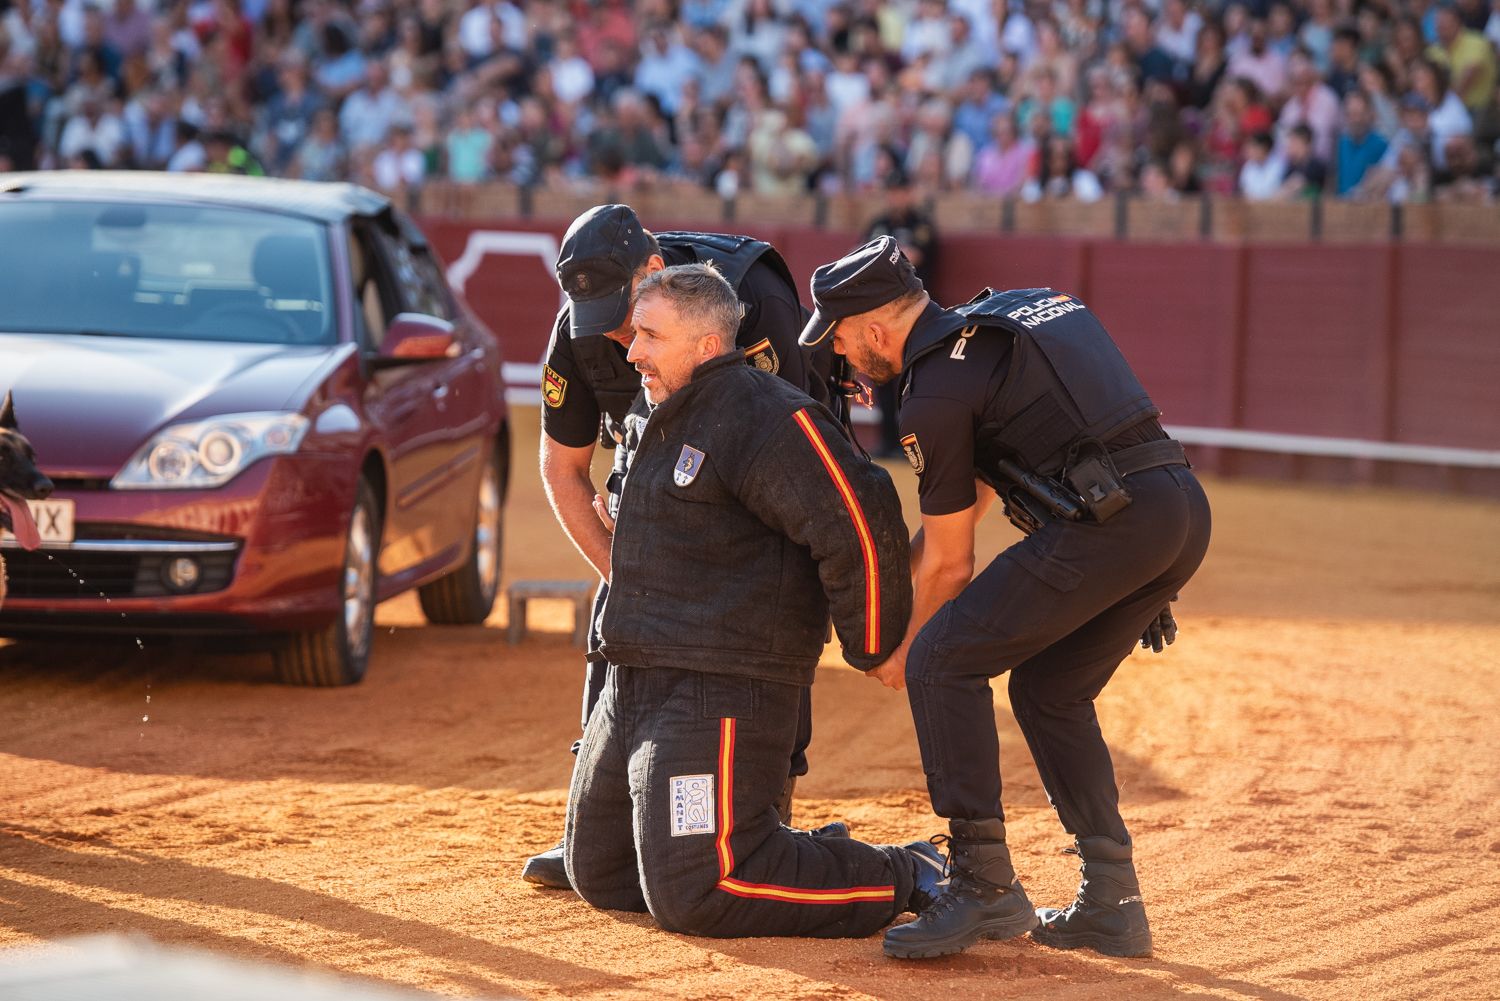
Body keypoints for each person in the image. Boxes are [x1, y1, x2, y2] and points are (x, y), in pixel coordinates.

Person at [797, 237, 1211, 960]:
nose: (839, 353)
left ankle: (983, 881)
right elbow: (983, 491)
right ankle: (1112, 903)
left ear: (874, 328)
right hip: (1174, 512)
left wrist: (903, 649)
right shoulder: (1010, 316)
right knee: (1050, 691)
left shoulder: (932, 392)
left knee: (942, 661)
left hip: (1113, 531)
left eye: (839, 337)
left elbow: (952, 563)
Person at [565, 263, 938, 939]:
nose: (632, 350)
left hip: (720, 685)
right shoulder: (656, 409)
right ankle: (781, 847)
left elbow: (858, 514)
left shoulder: (762, 413)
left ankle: (907, 872)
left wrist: (873, 641)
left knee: (703, 890)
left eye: (650, 335)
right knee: (602, 871)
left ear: (708, 344)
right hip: (636, 677)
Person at [526, 203, 835, 890]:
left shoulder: (754, 301)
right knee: (617, 624)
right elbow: (562, 467)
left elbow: (790, 460)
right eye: (598, 317)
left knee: (768, 617)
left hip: (757, 489)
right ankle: (600, 822)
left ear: (654, 269)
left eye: (625, 314)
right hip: (652, 487)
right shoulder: (579, 327)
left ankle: (762, 814)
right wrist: (628, 572)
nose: (617, 336)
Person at [864, 166, 936, 459]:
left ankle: (910, 442)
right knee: (881, 376)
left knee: (910, 378)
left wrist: (879, 258)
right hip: (881, 311)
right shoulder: (878, 223)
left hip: (911, 312)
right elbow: (860, 256)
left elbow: (914, 255)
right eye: (892, 192)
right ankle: (887, 440)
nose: (896, 197)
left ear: (910, 193)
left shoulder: (921, 224)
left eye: (901, 192)